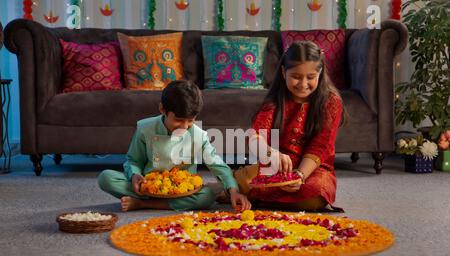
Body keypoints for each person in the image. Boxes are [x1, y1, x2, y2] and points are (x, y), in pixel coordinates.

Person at [98, 80, 251, 212]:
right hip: (149, 187)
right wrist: (134, 175)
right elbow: (133, 160)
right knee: (106, 178)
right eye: (178, 120)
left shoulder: (198, 135)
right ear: (162, 109)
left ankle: (143, 203)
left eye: (190, 121)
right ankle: (154, 200)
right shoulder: (145, 128)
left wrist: (233, 191)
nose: (184, 127)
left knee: (207, 196)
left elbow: (218, 166)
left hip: (182, 191)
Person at [234, 41, 346, 212]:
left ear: (320, 73)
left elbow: (321, 146)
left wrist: (299, 176)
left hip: (311, 170)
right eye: (296, 76)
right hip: (275, 168)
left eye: (310, 77)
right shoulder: (274, 101)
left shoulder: (331, 102)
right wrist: (271, 153)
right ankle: (246, 189)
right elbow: (256, 136)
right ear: (283, 72)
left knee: (314, 195)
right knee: (245, 180)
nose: (303, 84)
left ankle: (258, 197)